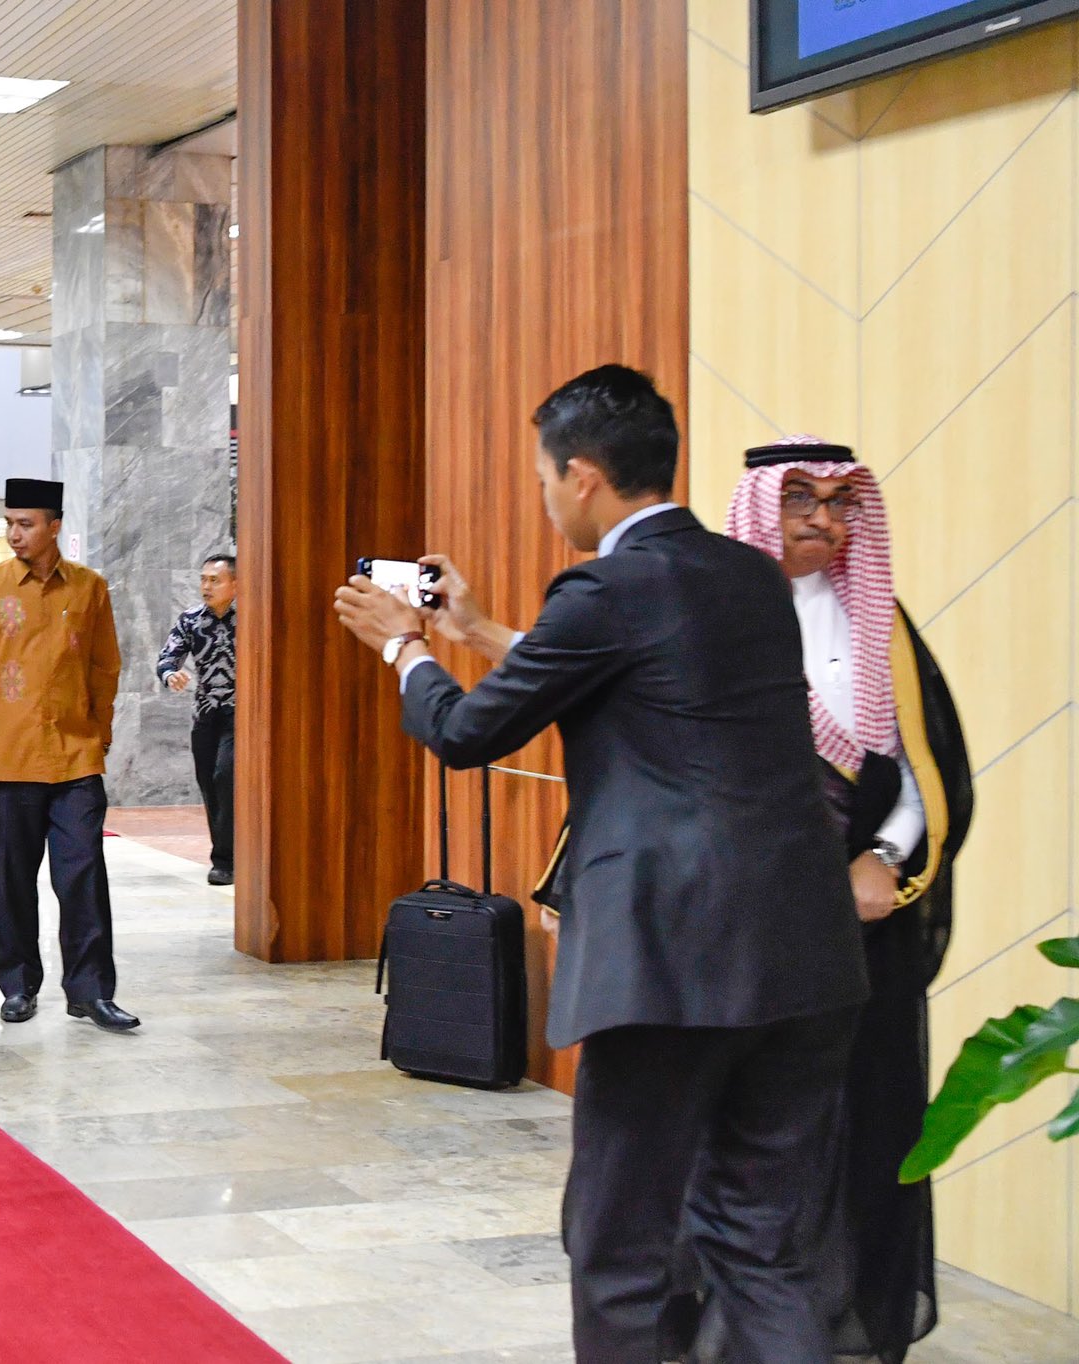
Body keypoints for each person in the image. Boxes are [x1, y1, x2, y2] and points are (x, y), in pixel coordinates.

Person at [332, 365, 868, 1362]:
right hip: (803, 953)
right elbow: (634, 674)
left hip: (669, 959)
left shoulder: (604, 587)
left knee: (616, 1243)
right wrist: (471, 627)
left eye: (542, 476)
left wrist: (402, 650)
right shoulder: (744, 576)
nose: (541, 494)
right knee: (761, 1248)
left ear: (582, 475)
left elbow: (466, 731)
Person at [653, 436, 974, 1364]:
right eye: (802, 501)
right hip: (731, 931)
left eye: (840, 504)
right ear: (760, 507)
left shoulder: (882, 628)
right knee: (730, 1136)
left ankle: (828, 1328)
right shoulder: (705, 617)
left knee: (851, 1126)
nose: (825, 523)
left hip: (855, 932)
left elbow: (921, 768)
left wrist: (882, 855)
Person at [0, 479, 138, 1033]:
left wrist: (98, 733)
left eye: (25, 523)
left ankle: (91, 992)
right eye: (9, 522)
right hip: (4, 761)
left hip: (75, 759)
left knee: (83, 876)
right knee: (8, 880)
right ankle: (18, 985)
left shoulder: (89, 588)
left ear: (55, 525)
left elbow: (106, 665)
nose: (14, 534)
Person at [157, 553, 238, 886]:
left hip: (241, 713)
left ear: (236, 584)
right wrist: (171, 674)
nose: (206, 586)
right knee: (209, 783)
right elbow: (167, 658)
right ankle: (224, 854)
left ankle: (227, 859)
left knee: (225, 775)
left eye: (214, 580)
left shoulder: (253, 617)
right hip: (206, 714)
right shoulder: (191, 620)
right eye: (203, 579)